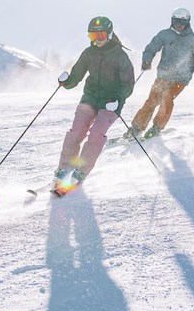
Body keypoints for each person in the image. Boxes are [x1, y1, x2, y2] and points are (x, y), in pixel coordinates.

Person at [54, 16, 135, 194]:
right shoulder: (88, 53)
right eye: (93, 36)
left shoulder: (120, 56)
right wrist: (66, 82)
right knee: (76, 131)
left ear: (110, 34)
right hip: (90, 98)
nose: (97, 39)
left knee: (96, 134)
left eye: (101, 35)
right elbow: (76, 75)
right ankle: (64, 168)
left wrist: (118, 99)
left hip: (110, 103)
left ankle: (81, 171)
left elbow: (128, 84)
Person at [124, 8, 194, 141]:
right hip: (163, 76)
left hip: (181, 78)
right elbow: (151, 48)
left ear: (187, 22)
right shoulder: (165, 35)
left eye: (182, 22)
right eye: (176, 21)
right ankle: (137, 127)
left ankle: (157, 127)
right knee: (151, 101)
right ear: (172, 20)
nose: (179, 24)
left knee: (167, 98)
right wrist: (147, 60)